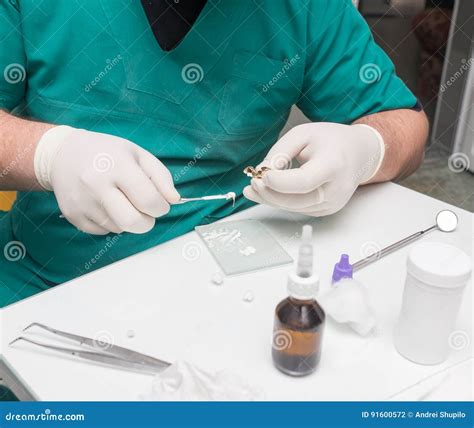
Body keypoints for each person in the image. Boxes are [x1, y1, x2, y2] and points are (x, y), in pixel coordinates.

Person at [0, 0, 428, 307]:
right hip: (47, 275)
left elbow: (404, 123)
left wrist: (366, 149)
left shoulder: (306, 9)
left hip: (230, 281)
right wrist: (48, 155)